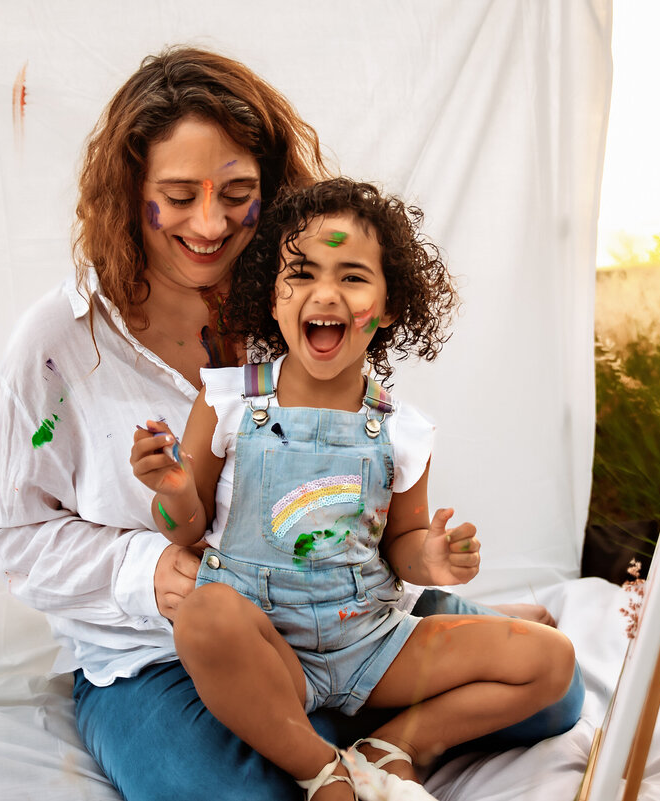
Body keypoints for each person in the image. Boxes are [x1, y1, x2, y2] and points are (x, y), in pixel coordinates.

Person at [0, 46, 583, 801]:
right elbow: (6, 528)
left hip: (347, 623)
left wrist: (426, 561)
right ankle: (315, 750)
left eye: (236, 191)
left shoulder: (291, 299)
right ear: (131, 192)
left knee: (561, 690)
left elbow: (377, 493)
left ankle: (390, 743)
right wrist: (145, 572)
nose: (209, 222)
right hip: (165, 652)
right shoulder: (61, 343)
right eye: (179, 193)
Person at [131, 178, 577, 800]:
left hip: (371, 644)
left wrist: (435, 559)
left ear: (389, 306)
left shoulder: (401, 430)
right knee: (203, 617)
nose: (326, 293)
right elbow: (183, 531)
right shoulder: (228, 399)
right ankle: (321, 771)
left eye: (353, 276)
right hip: (267, 649)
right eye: (303, 273)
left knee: (550, 661)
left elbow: (403, 544)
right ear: (274, 295)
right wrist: (175, 489)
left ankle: (395, 747)